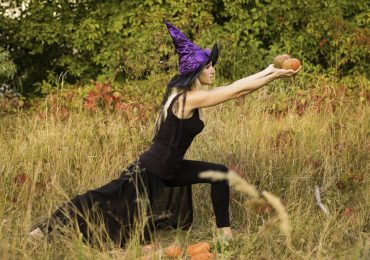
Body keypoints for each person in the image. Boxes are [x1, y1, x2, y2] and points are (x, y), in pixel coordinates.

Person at [30, 19, 301, 247]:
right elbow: (235, 91)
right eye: (208, 66)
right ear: (195, 71)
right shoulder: (187, 99)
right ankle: (43, 230)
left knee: (220, 173)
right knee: (99, 200)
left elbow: (236, 86)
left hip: (169, 169)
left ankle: (225, 235)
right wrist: (273, 76)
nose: (213, 69)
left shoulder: (193, 95)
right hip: (150, 170)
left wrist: (269, 70)